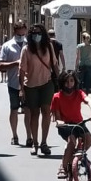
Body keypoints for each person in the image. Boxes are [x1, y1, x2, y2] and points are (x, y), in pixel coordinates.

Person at [19, 24, 60, 157]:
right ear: (30, 36)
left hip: (47, 83)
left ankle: (44, 143)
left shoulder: (48, 48)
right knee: (34, 114)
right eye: (34, 33)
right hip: (30, 85)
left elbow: (54, 65)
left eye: (39, 33)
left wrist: (60, 81)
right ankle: (35, 143)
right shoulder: (26, 50)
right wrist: (21, 89)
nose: (37, 35)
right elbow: (21, 71)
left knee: (46, 112)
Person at [51, 70, 91, 181]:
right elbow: (56, 115)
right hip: (65, 126)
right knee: (71, 141)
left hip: (78, 123)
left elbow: (89, 100)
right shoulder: (57, 97)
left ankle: (77, 157)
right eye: (66, 82)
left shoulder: (79, 93)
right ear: (62, 83)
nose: (69, 84)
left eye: (71, 81)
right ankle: (63, 167)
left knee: (89, 139)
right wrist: (59, 122)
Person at [0, 21, 32, 147]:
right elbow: (1, 66)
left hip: (28, 83)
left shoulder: (30, 45)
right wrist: (16, 63)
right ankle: (14, 135)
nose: (21, 35)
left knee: (28, 110)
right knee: (14, 109)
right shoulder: (7, 46)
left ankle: (29, 136)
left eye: (23, 33)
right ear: (15, 32)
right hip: (13, 83)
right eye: (19, 33)